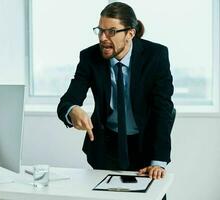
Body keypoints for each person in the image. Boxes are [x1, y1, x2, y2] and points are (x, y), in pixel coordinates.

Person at [57, 1, 174, 185]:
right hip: (105, 145)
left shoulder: (155, 55)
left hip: (145, 144)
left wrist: (158, 162)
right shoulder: (89, 57)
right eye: (100, 30)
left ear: (130, 33)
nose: (103, 37)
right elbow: (68, 100)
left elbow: (163, 109)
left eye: (111, 31)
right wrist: (72, 110)